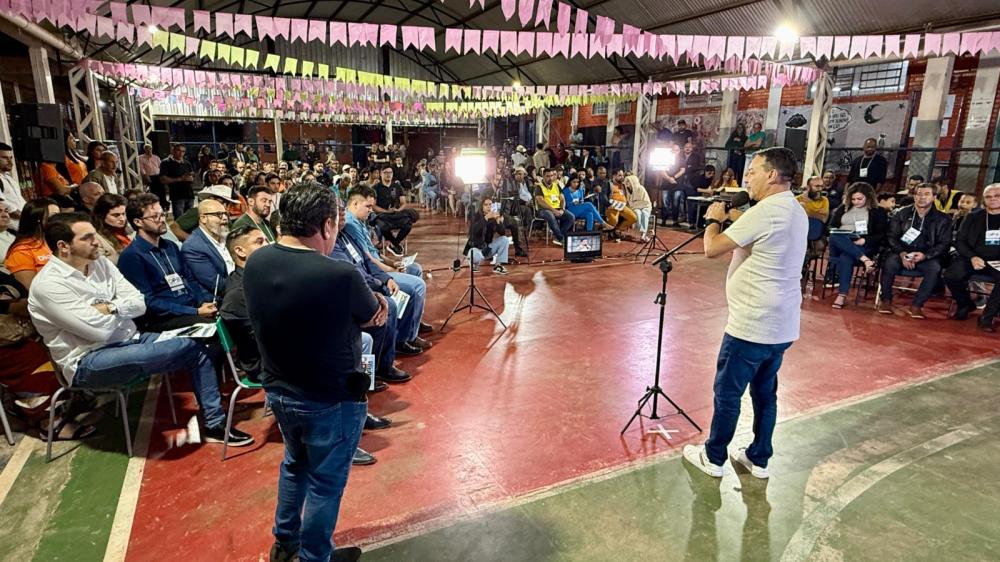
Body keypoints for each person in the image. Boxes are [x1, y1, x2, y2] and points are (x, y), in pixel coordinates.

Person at [243, 184, 385, 562]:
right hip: (330, 397)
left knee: (295, 465)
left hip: (279, 392)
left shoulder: (257, 261)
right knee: (325, 483)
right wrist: (382, 302)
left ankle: (285, 541)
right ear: (325, 225)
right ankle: (314, 557)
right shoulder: (337, 274)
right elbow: (373, 314)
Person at [28, 212, 251, 446]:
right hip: (88, 360)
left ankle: (214, 423)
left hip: (133, 339)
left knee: (203, 344)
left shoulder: (99, 263)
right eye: (88, 237)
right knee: (187, 345)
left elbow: (139, 302)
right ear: (64, 246)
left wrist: (110, 308)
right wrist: (121, 309)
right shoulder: (49, 285)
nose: (97, 242)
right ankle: (214, 411)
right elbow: (99, 333)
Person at [683, 147, 807, 479]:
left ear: (771, 175)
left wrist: (712, 220)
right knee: (765, 393)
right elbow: (757, 237)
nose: (746, 177)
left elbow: (712, 249)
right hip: (782, 324)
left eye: (752, 171)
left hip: (751, 324)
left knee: (728, 394)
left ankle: (714, 458)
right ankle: (759, 458)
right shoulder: (793, 209)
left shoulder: (766, 211)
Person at [118, 194, 218, 331]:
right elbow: (148, 301)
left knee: (229, 314)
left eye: (162, 215)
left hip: (191, 308)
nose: (162, 220)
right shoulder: (132, 256)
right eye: (155, 217)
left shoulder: (171, 246)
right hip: (162, 319)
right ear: (138, 222)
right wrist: (194, 312)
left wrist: (202, 303)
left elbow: (190, 279)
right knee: (214, 328)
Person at [877, 184, 951, 318]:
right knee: (889, 263)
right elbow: (891, 236)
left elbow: (944, 244)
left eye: (926, 194)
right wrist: (902, 253)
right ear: (914, 196)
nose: (922, 197)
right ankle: (886, 300)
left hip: (926, 255)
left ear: (934, 197)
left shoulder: (943, 219)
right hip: (902, 251)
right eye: (918, 194)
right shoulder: (901, 213)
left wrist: (925, 256)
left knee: (934, 268)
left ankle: (917, 305)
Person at [945, 184, 1000, 331]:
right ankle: (965, 305)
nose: (993, 199)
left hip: (998, 260)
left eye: (997, 196)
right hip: (972, 256)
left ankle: (987, 317)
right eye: (988, 197)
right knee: (951, 275)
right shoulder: (973, 217)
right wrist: (973, 257)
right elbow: (960, 241)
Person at [827, 183, 888, 309]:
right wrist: (840, 232)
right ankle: (865, 260)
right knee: (834, 235)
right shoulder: (843, 207)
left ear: (868, 197)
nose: (856, 202)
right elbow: (831, 226)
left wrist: (864, 240)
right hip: (839, 241)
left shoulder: (878, 211)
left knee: (846, 257)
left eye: (859, 199)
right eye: (853, 199)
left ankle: (842, 295)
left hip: (862, 242)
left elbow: (881, 235)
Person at [182, 199, 235, 297]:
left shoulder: (227, 236)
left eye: (225, 214)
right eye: (219, 214)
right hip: (219, 300)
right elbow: (216, 284)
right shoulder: (193, 246)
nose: (225, 218)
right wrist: (247, 285)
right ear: (203, 218)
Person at [4, 198, 60, 289]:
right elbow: (32, 289)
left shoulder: (60, 243)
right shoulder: (21, 251)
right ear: (37, 219)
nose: (60, 219)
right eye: (53, 216)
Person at [372, 166, 419, 255]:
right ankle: (395, 244)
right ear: (381, 174)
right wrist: (386, 211)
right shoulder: (376, 188)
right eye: (386, 172)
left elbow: (403, 202)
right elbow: (373, 206)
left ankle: (394, 244)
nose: (388, 175)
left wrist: (397, 210)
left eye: (390, 172)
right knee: (382, 227)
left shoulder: (397, 186)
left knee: (408, 224)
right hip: (382, 215)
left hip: (396, 214)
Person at [169, 185, 240, 243]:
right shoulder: (198, 211)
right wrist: (196, 241)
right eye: (222, 202)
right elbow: (174, 228)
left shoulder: (225, 215)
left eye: (227, 203)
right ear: (211, 199)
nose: (224, 206)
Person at [464, 197, 511, 275]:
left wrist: (498, 221)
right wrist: (485, 218)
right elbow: (473, 232)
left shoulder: (493, 218)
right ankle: (472, 262)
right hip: (475, 249)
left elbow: (502, 232)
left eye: (490, 204)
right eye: (486, 205)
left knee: (504, 239)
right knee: (473, 253)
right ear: (482, 207)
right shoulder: (476, 216)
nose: (489, 206)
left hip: (487, 249)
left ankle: (498, 266)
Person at [533, 169, 575, 246]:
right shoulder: (539, 187)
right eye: (547, 176)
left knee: (571, 217)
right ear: (543, 176)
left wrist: (562, 209)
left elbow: (562, 198)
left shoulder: (556, 185)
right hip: (543, 210)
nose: (550, 178)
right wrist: (553, 210)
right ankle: (561, 239)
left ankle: (558, 236)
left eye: (552, 176)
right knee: (550, 215)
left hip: (558, 208)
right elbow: (541, 202)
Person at [92, 193, 131, 264]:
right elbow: (103, 266)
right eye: (116, 215)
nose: (122, 219)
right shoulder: (95, 238)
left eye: (123, 214)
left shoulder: (130, 230)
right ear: (101, 216)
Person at [160, 144, 197, 218]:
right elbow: (163, 180)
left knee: (190, 219)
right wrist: (180, 179)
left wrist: (191, 177)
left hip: (190, 195)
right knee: (179, 220)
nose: (181, 153)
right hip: (177, 196)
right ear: (173, 151)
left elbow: (192, 176)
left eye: (183, 151)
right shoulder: (165, 163)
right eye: (179, 151)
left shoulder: (187, 163)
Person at [796, 176, 830, 251]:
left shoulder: (824, 200)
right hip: (799, 233)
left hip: (817, 233)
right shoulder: (797, 200)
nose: (820, 189)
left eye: (821, 186)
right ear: (808, 187)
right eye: (817, 186)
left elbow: (824, 219)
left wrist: (806, 211)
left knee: (819, 246)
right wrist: (817, 214)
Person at [0, 142, 26, 231]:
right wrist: (29, 218)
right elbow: (4, 205)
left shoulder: (9, 178)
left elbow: (19, 201)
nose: (10, 161)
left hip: (23, 227)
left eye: (11, 158)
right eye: (5, 158)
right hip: (10, 229)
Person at [606, 170, 637, 240]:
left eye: (622, 175)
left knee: (633, 218)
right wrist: (609, 204)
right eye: (619, 175)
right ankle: (610, 231)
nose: (622, 177)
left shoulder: (623, 185)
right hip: (612, 206)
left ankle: (618, 230)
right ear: (614, 176)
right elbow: (604, 196)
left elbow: (627, 196)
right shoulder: (609, 184)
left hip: (623, 206)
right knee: (614, 220)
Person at [624, 174, 653, 241]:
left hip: (646, 206)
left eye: (628, 181)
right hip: (636, 208)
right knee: (637, 213)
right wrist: (636, 203)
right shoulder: (628, 190)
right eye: (626, 181)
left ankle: (643, 234)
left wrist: (635, 203)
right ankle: (640, 232)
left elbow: (645, 202)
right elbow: (631, 204)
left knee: (644, 214)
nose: (626, 183)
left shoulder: (641, 188)